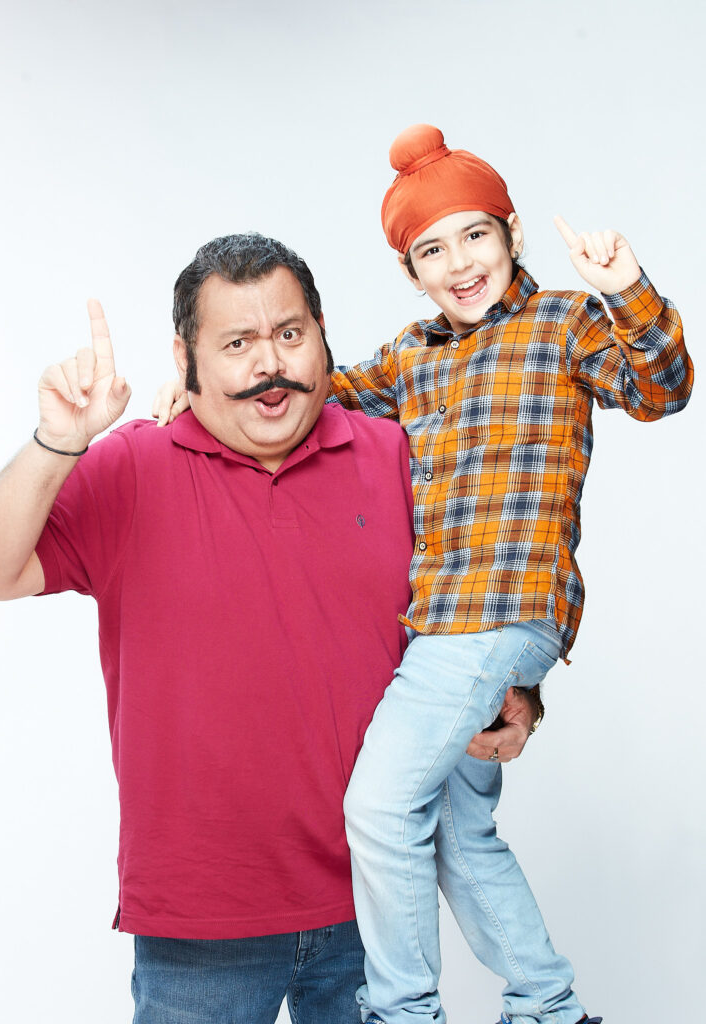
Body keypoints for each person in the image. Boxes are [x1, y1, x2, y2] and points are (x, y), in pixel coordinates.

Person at [152, 127, 693, 1024]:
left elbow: (660, 388)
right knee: (455, 831)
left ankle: (402, 1011)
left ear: (511, 234)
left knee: (377, 808)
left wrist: (625, 289)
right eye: (431, 250)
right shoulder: (412, 355)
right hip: (438, 625)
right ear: (410, 272)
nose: (459, 263)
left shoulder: (562, 322)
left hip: (502, 610)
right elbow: (311, 394)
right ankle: (549, 1007)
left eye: (475, 235)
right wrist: (205, 392)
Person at [0, 231, 539, 1024]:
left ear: (321, 333)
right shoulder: (132, 467)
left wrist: (518, 697)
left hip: (379, 903)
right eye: (236, 345)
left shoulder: (399, 455)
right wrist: (59, 441)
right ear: (185, 359)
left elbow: (478, 607)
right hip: (201, 922)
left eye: (289, 334)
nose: (270, 364)